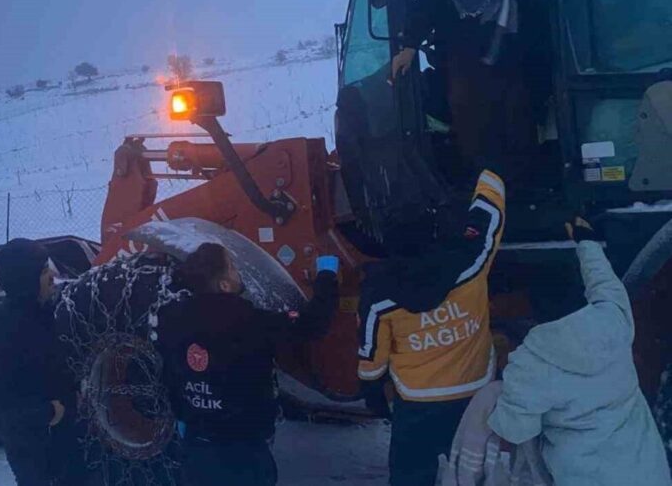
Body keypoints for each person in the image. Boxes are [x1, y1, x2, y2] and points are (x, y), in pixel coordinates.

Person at [487, 217, 672, 486]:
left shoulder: (529, 363)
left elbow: (513, 429)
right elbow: (604, 283)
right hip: (644, 472)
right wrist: (586, 242)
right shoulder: (613, 320)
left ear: (534, 313)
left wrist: (490, 395)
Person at [357, 170, 506, 486]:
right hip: (474, 394)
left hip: (417, 403)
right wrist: (487, 175)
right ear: (434, 232)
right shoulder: (471, 262)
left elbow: (372, 354)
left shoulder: (378, 292)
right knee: (473, 469)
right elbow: (490, 216)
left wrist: (372, 391)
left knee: (411, 474)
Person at [155, 242, 339, 486]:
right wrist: (327, 273)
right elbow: (312, 323)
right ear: (224, 284)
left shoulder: (170, 319)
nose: (238, 272)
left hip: (196, 447)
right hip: (243, 451)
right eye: (232, 267)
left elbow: (170, 374)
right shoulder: (252, 322)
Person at [391, 0, 536, 179]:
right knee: (472, 124)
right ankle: (484, 186)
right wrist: (408, 46)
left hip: (509, 54)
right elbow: (424, 9)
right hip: (463, 61)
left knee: (517, 118)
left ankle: (523, 183)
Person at [0, 238, 77, 486]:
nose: (52, 277)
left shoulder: (43, 312)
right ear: (26, 278)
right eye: (44, 271)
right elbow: (0, 403)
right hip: (33, 449)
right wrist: (47, 412)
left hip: (58, 441)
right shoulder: (9, 330)